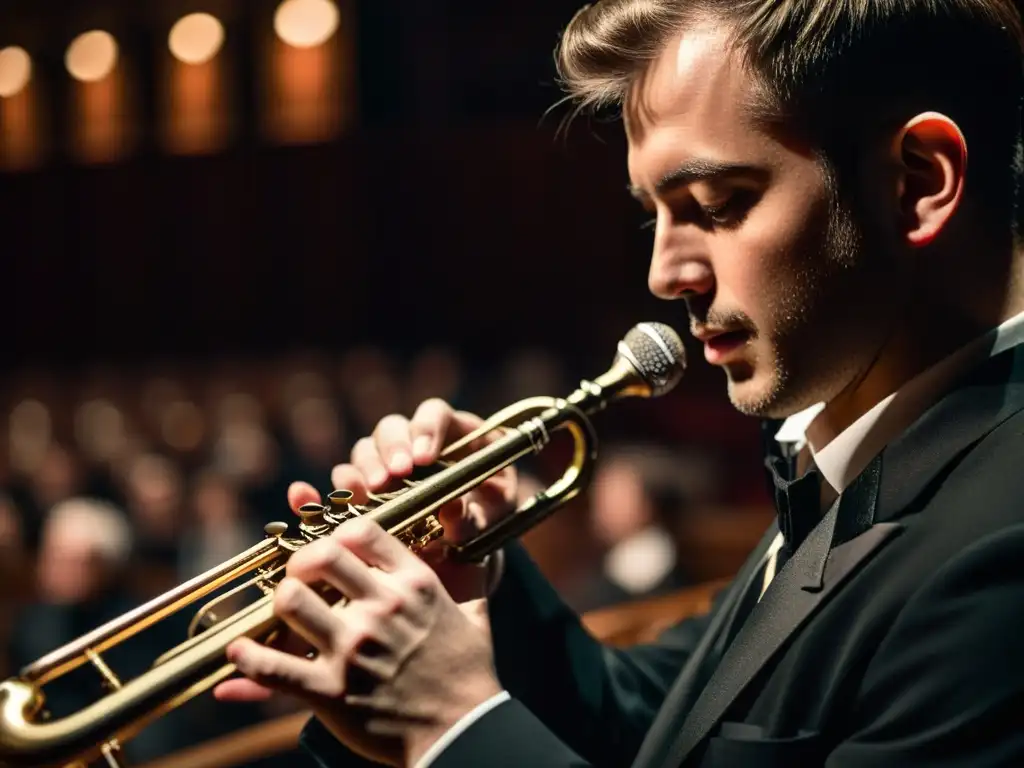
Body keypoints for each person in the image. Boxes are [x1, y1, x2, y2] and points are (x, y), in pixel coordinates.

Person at [214, 0, 1024, 765]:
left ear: (918, 181)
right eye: (654, 216)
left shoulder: (1002, 551)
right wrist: (475, 575)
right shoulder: (860, 447)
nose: (664, 274)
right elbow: (660, 727)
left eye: (717, 203)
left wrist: (450, 730)